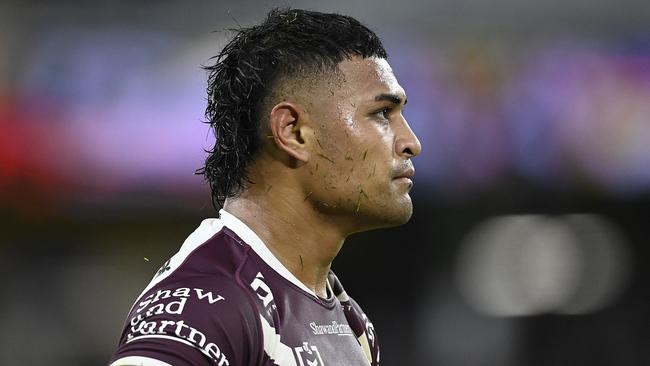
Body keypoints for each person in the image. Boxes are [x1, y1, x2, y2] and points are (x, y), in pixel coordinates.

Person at [109, 7, 421, 366]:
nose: (411, 142)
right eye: (382, 113)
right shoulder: (208, 304)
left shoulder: (350, 323)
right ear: (293, 131)